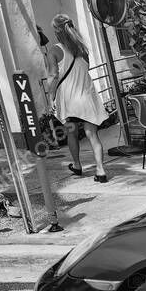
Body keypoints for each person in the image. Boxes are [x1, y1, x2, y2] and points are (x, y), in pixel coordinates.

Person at [47, 14, 109, 182]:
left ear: (57, 31)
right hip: (86, 97)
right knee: (92, 135)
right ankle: (101, 171)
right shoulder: (82, 48)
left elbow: (53, 76)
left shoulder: (54, 50)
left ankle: (77, 165)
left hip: (69, 101)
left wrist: (51, 97)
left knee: (72, 134)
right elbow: (85, 70)